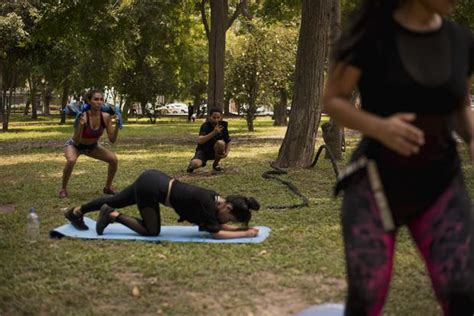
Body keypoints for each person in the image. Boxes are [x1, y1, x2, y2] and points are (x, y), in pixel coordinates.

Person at [323, 0, 474, 314]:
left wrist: (473, 137)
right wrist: (379, 127)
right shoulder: (371, 34)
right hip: (375, 187)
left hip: (441, 186)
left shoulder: (461, 40)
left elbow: (459, 105)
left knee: (462, 291)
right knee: (367, 298)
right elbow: (333, 100)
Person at [64, 169, 260, 239]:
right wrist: (245, 233)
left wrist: (240, 229)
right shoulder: (207, 204)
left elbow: (216, 226)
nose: (227, 220)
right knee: (152, 231)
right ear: (228, 207)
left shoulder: (215, 199)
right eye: (230, 218)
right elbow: (216, 233)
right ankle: (112, 215)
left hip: (154, 178)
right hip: (152, 189)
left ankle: (76, 211)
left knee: (116, 199)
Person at [59, 90, 120, 198]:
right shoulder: (82, 116)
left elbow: (112, 140)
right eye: (96, 99)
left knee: (113, 159)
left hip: (92, 146)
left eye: (101, 99)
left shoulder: (106, 117)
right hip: (75, 145)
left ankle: (108, 188)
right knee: (71, 160)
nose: (99, 102)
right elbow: (76, 140)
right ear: (89, 101)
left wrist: (117, 127)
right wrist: (81, 125)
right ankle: (63, 188)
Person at [187, 108, 231, 173]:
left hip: (215, 150)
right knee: (195, 164)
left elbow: (228, 141)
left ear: (221, 117)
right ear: (210, 117)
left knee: (221, 143)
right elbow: (200, 141)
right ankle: (191, 166)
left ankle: (215, 165)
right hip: (203, 150)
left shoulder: (222, 126)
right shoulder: (205, 126)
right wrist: (214, 132)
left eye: (218, 117)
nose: (216, 119)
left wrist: (226, 153)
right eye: (214, 117)